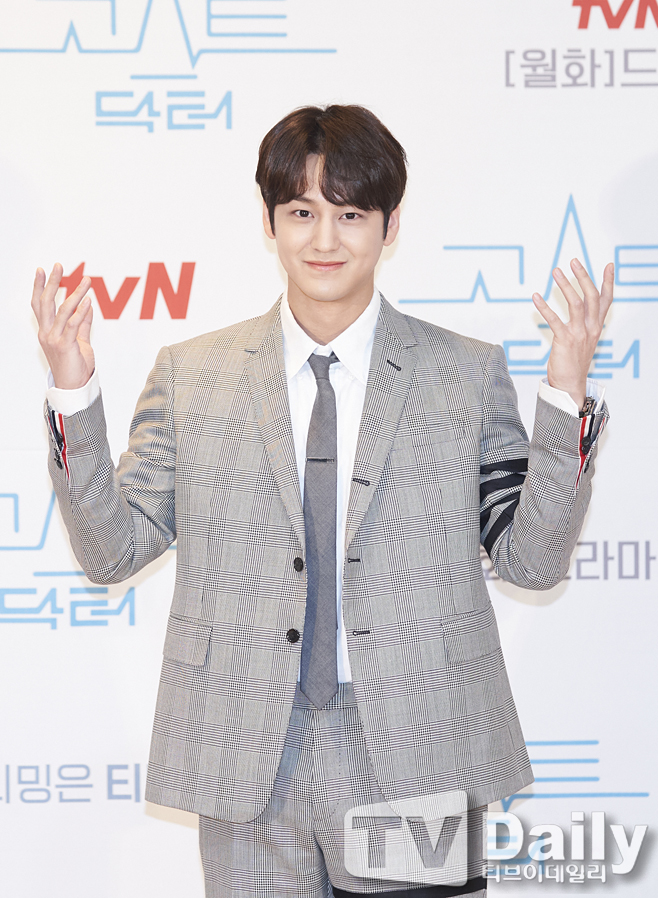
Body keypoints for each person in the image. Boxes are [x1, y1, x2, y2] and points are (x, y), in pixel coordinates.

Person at [32, 105, 612, 898]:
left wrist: (566, 393)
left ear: (390, 224)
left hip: (418, 741)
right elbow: (111, 553)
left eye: (350, 214)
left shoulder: (465, 374)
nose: (324, 239)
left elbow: (533, 561)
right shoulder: (191, 374)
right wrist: (73, 392)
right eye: (302, 213)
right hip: (245, 751)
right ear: (269, 222)